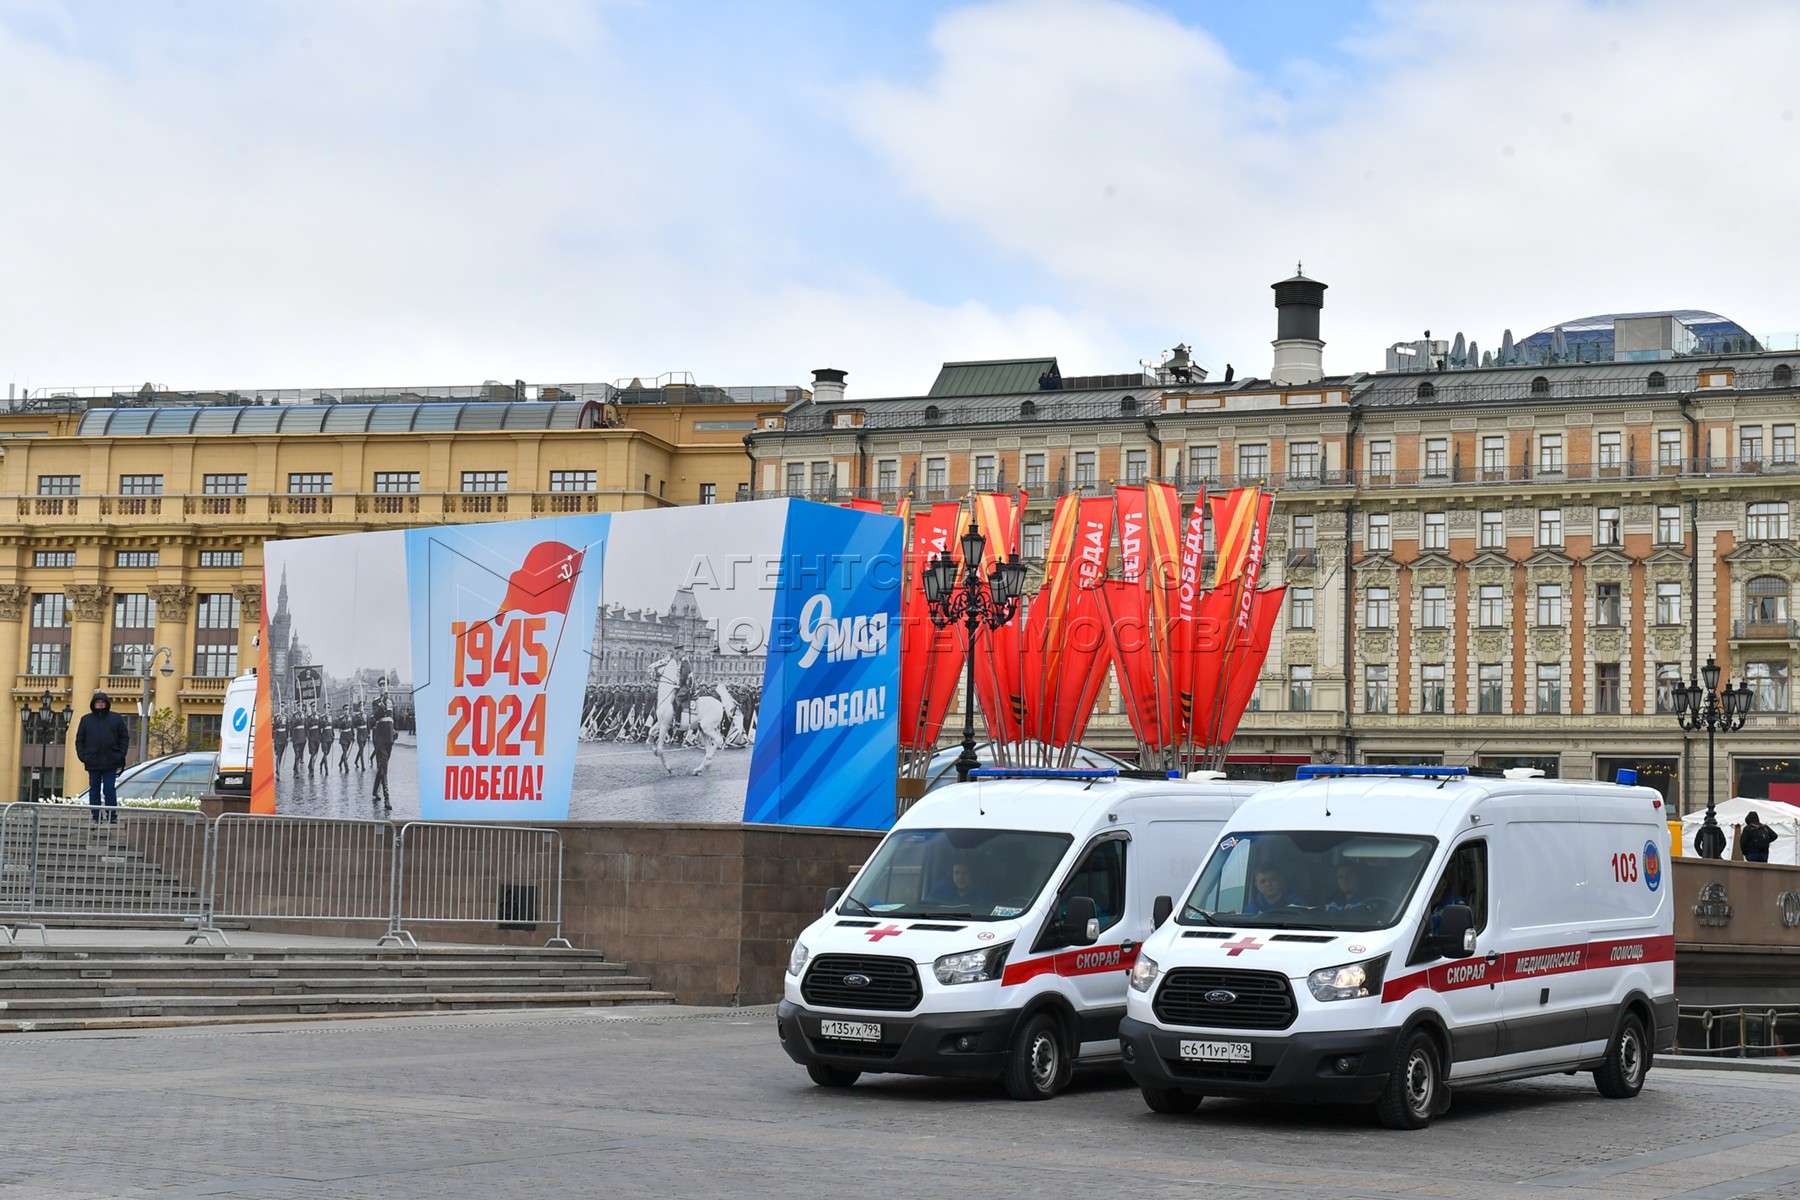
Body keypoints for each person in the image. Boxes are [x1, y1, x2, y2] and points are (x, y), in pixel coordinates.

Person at [73, 689, 130, 826]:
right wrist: (84, 757)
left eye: (102, 702)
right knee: (94, 788)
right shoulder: (86, 720)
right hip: (93, 761)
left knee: (109, 788)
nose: (100, 704)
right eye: (97, 702)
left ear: (106, 704)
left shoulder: (115, 718)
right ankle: (95, 816)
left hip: (111, 760)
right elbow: (79, 740)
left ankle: (112, 815)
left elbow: (124, 737)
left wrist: (120, 754)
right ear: (93, 704)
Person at [926, 859, 991, 911]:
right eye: (956, 873)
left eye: (965, 873)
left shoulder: (982, 894)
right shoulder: (939, 890)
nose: (960, 877)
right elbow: (927, 909)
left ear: (973, 875)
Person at [370, 693, 396, 810]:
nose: (382, 686)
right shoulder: (376, 701)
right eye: (380, 685)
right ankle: (387, 798)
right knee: (384, 767)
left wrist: (395, 730)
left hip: (389, 736)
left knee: (382, 766)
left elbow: (392, 717)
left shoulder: (391, 701)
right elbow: (376, 716)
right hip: (380, 737)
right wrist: (382, 703)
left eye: (384, 684)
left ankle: (375, 790)